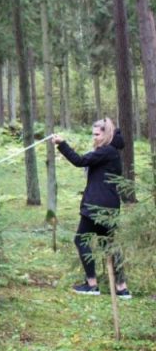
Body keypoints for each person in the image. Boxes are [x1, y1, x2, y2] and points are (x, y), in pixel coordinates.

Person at [52, 118, 131, 299]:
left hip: (97, 205)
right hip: (109, 204)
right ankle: (122, 289)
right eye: (93, 134)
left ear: (106, 134)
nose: (94, 137)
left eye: (97, 134)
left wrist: (62, 144)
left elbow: (80, 161)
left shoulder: (106, 151)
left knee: (81, 240)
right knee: (108, 244)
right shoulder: (112, 152)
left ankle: (92, 284)